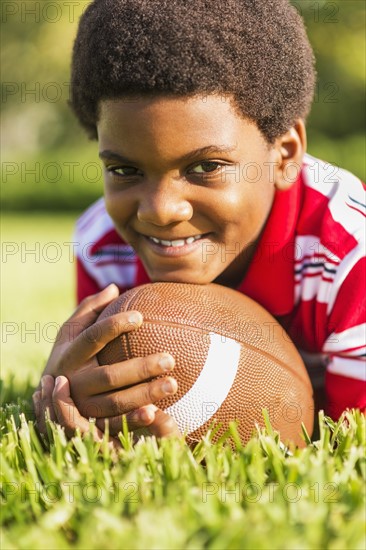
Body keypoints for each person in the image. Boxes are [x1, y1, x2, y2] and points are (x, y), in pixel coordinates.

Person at [33, 0, 365, 444]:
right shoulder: (103, 245)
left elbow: (350, 438)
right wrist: (68, 396)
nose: (160, 210)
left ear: (284, 154)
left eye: (206, 167)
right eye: (124, 170)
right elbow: (103, 402)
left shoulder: (346, 252)